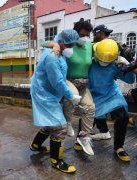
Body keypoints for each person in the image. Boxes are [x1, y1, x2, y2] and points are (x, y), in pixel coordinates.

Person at [29, 30, 80, 174]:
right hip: (43, 94)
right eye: (70, 45)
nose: (72, 48)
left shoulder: (59, 51)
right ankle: (56, 161)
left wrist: (55, 44)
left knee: (50, 123)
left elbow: (46, 43)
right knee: (59, 127)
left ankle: (35, 146)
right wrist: (70, 95)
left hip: (47, 92)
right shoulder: (53, 56)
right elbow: (57, 81)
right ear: (63, 43)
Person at [43, 19, 95, 155]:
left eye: (87, 35)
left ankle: (84, 137)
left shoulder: (90, 46)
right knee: (72, 97)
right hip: (69, 80)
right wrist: (54, 44)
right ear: (75, 34)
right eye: (82, 35)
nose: (85, 38)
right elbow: (44, 43)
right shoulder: (68, 45)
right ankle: (68, 122)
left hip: (84, 83)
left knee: (90, 107)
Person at [89, 39, 137, 161]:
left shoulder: (116, 64)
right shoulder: (89, 63)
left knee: (123, 117)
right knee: (88, 117)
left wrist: (128, 67)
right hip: (93, 94)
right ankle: (80, 139)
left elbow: (130, 80)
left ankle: (119, 147)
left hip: (111, 94)